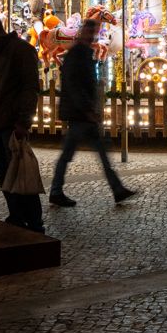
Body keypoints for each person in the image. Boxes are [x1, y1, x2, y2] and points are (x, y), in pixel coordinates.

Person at [49, 19, 135, 204]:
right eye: (91, 31)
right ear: (83, 32)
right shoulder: (77, 53)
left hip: (84, 112)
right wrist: (87, 108)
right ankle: (56, 191)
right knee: (69, 153)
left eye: (95, 31)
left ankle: (117, 188)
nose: (94, 35)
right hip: (80, 113)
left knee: (99, 153)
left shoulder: (84, 52)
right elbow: (75, 85)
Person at [0, 13, 44, 233]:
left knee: (20, 172)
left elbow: (29, 89)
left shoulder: (22, 51)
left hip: (12, 125)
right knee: (4, 174)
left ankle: (33, 220)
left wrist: (23, 121)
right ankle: (16, 214)